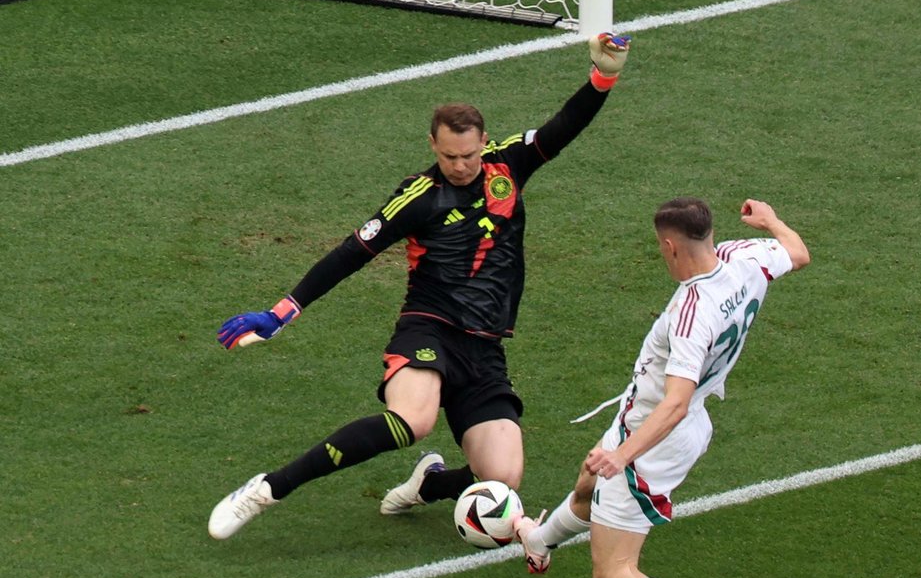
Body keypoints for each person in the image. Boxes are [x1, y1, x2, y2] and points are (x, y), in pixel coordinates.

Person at [208, 33, 632, 540]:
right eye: (451, 156)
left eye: (469, 155)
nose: (461, 165)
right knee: (413, 420)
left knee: (504, 478)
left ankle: (429, 485)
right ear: (434, 146)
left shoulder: (509, 165)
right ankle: (267, 489)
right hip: (428, 326)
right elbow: (350, 253)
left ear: (483, 142)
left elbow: (564, 127)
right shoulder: (418, 196)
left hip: (484, 346)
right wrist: (280, 313)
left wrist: (602, 77)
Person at [513, 197, 810, 578]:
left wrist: (622, 456)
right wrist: (774, 221)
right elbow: (797, 253)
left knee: (613, 571)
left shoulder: (692, 314)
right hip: (650, 422)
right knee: (586, 483)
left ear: (670, 246)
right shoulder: (745, 257)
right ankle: (538, 543)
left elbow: (674, 403)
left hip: (653, 438)